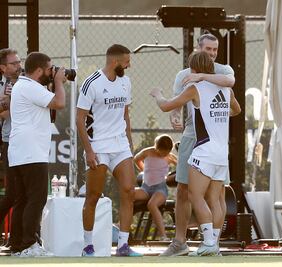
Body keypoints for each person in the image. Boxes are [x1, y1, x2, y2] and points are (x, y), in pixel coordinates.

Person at [150, 51, 241, 256]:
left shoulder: (194, 88)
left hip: (204, 150)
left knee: (195, 195)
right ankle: (213, 245)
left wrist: (157, 94)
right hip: (221, 152)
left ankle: (208, 241)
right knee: (216, 199)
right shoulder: (226, 90)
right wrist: (216, 111)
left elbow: (166, 106)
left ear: (194, 69)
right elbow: (237, 110)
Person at [76, 44, 141, 257]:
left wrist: (129, 144)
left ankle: (123, 246)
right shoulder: (91, 83)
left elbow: (126, 115)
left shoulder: (125, 82)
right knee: (93, 196)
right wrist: (89, 151)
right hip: (98, 146)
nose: (129, 65)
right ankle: (88, 246)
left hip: (120, 144)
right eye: (126, 62)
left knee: (129, 191)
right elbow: (79, 119)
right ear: (115, 62)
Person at [8, 52, 66, 256]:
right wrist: (59, 82)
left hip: (21, 151)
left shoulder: (23, 86)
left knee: (23, 199)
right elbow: (59, 103)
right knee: (36, 199)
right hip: (31, 152)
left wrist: (53, 81)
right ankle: (29, 244)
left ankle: (18, 245)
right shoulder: (30, 87)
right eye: (50, 69)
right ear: (39, 70)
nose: (53, 72)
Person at [133, 134, 177, 241]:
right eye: (162, 152)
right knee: (128, 194)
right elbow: (136, 159)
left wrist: (172, 177)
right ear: (156, 147)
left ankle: (163, 236)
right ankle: (121, 228)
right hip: (146, 188)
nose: (164, 154)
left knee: (151, 204)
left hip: (160, 190)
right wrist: (144, 170)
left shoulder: (170, 157)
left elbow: (181, 166)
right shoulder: (147, 152)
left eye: (166, 152)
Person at [0, 48, 21, 251]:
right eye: (13, 63)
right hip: (9, 141)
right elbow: (3, 112)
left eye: (19, 62)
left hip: (26, 142)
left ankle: (17, 239)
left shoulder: (26, 82)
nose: (18, 66)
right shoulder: (2, 86)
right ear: (3, 67)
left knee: (22, 194)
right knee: (12, 194)